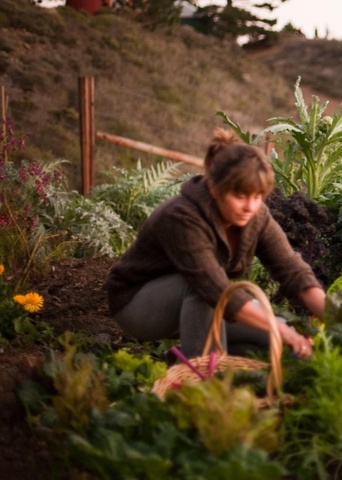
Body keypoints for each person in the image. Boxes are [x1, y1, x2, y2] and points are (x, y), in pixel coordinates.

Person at [104, 128, 326, 360]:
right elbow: (214, 290)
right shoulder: (182, 217)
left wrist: (336, 317)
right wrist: (280, 330)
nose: (250, 206)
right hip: (139, 306)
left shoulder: (256, 216)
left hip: (203, 302)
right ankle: (204, 375)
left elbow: (292, 270)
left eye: (257, 196)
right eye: (240, 196)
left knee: (278, 341)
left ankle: (177, 359)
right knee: (205, 291)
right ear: (214, 188)